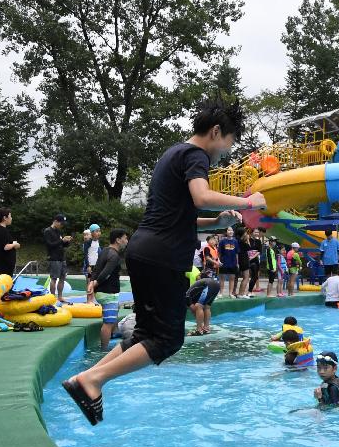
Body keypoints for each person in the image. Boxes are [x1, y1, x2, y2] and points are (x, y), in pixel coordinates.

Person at [62, 97, 267, 426]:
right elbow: (202, 197)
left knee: (145, 333)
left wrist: (212, 224)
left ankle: (87, 376)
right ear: (216, 132)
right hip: (162, 258)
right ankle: (93, 381)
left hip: (145, 249)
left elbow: (174, 215)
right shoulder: (196, 155)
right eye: (228, 144)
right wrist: (248, 202)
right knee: (167, 339)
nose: (225, 154)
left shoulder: (172, 154)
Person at [87, 228, 128, 350]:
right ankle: (103, 350)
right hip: (107, 292)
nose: (127, 241)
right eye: (125, 238)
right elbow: (106, 273)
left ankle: (115, 332)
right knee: (108, 323)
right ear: (118, 240)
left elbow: (96, 269)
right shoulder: (114, 255)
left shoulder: (105, 250)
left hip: (103, 291)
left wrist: (92, 282)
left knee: (117, 308)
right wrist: (94, 283)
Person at [44, 214, 73, 303]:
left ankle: (60, 297)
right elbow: (50, 245)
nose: (62, 225)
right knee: (54, 278)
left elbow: (61, 244)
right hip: (53, 257)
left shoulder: (58, 231)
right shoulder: (47, 231)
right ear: (55, 221)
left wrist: (67, 241)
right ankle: (53, 298)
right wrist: (61, 240)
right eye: (61, 223)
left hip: (61, 257)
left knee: (63, 277)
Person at [0, 207, 20, 277]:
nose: (11, 218)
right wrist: (14, 244)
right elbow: (5, 247)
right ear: (5, 218)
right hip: (4, 267)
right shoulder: (2, 230)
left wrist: (13, 244)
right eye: (10, 216)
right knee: (5, 287)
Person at [218, 226, 239, 296]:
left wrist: (237, 263)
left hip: (233, 263)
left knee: (232, 278)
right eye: (229, 230)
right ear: (226, 232)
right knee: (222, 278)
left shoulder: (235, 241)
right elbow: (219, 253)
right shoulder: (222, 241)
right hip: (223, 262)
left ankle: (230, 293)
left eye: (231, 230)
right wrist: (218, 261)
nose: (230, 232)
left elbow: (236, 253)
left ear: (233, 232)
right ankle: (221, 293)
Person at [85, 224, 102, 304]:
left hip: (96, 265)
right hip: (90, 266)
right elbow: (85, 254)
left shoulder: (97, 241)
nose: (99, 233)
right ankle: (89, 300)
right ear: (91, 233)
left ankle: (92, 299)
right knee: (89, 282)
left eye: (99, 231)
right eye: (97, 231)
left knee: (94, 282)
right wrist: (88, 266)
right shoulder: (88, 242)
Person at [235, 228, 252, 298]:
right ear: (243, 234)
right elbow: (249, 247)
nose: (247, 234)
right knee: (246, 277)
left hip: (240, 260)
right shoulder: (242, 242)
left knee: (243, 278)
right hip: (244, 260)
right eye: (245, 233)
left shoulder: (237, 241)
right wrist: (248, 239)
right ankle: (241, 294)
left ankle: (240, 293)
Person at [248, 228, 263, 294]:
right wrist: (249, 257)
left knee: (255, 276)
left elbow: (259, 251)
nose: (256, 233)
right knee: (248, 275)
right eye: (255, 232)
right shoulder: (248, 240)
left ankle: (250, 290)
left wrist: (253, 256)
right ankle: (247, 291)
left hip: (255, 259)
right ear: (251, 233)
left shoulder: (258, 241)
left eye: (257, 232)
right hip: (248, 259)